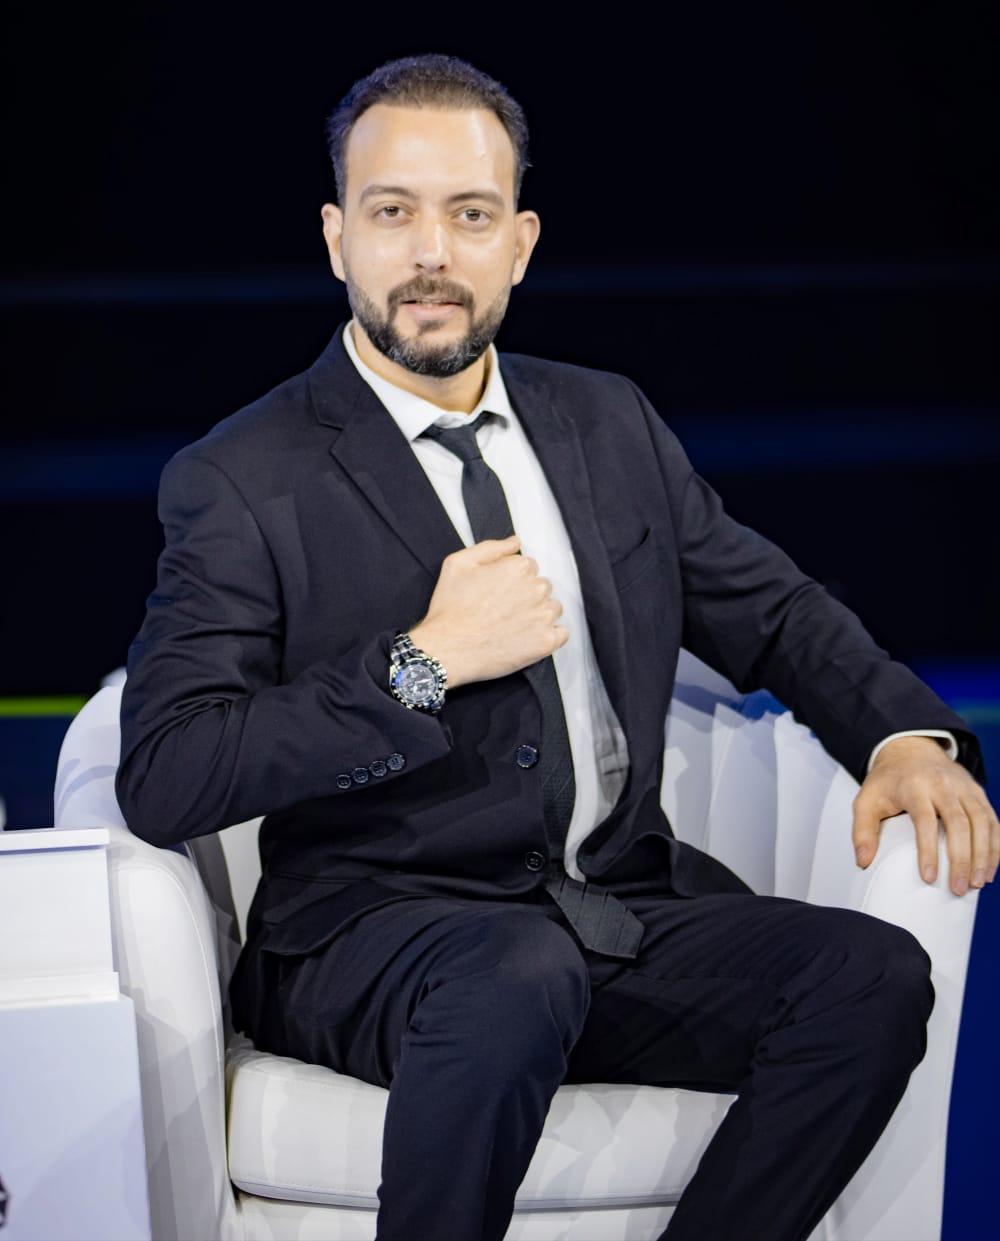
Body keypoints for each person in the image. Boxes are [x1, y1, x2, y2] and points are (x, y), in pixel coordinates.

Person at [116, 52, 998, 1241]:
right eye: (393, 213)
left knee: (870, 978)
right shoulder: (240, 476)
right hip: (374, 931)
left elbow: (774, 610)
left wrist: (901, 735)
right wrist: (421, 662)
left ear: (520, 243)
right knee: (513, 974)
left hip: (609, 910)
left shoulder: (606, 420)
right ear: (337, 238)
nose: (432, 253)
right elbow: (169, 771)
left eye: (470, 215)